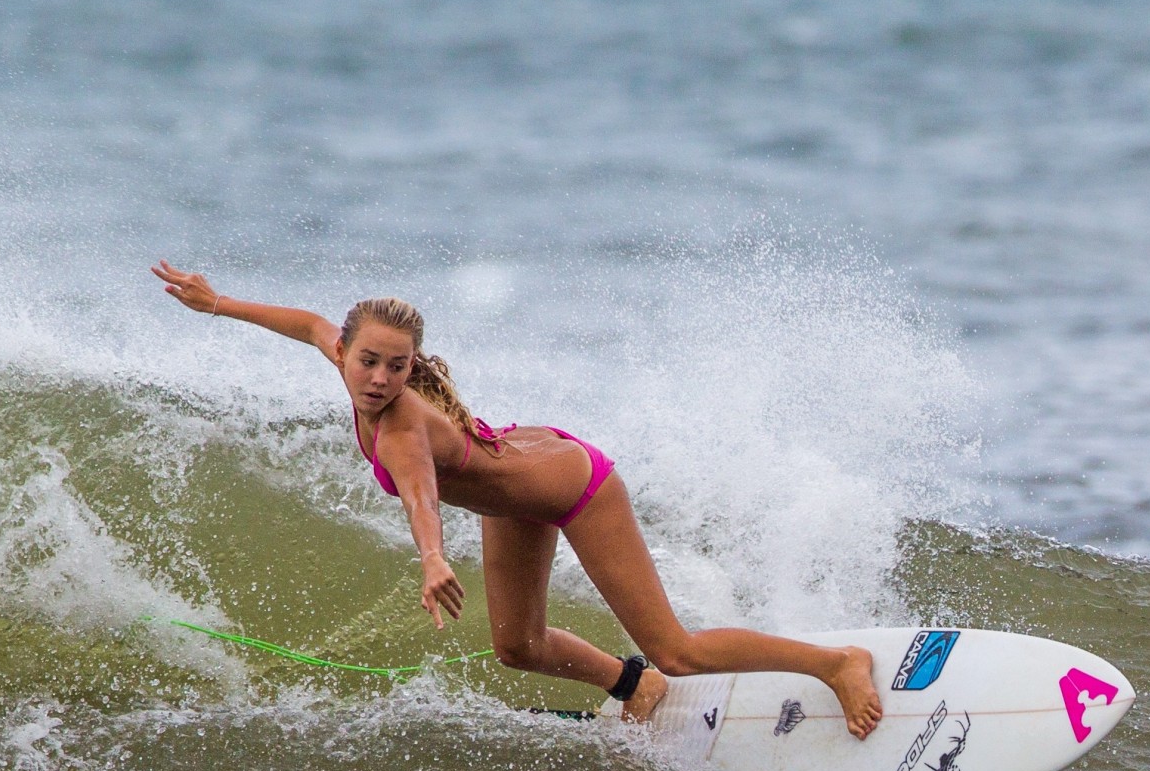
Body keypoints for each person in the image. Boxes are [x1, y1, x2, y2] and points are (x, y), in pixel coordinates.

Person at [151, 262, 884, 738]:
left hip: (574, 487)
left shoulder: (401, 425)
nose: (377, 377)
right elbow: (308, 321)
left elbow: (420, 494)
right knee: (517, 646)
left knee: (679, 645)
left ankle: (834, 663)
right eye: (367, 360)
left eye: (396, 367)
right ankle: (637, 687)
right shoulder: (346, 358)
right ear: (348, 350)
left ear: (413, 368)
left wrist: (432, 558)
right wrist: (218, 304)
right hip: (516, 482)